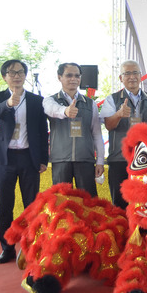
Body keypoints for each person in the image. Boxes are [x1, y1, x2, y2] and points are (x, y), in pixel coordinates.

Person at [0, 59, 49, 264]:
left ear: (25, 75)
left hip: (28, 157)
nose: (16, 75)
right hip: (5, 159)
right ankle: (7, 249)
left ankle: (31, 246)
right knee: (6, 205)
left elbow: (42, 131)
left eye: (20, 72)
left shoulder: (35, 100)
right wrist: (8, 103)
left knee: (31, 205)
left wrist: (43, 159)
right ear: (4, 76)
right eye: (12, 72)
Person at [100, 60, 147, 209]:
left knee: (146, 202)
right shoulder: (111, 99)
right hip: (119, 159)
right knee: (120, 203)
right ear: (121, 78)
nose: (132, 77)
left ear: (141, 76)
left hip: (146, 160)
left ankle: (143, 233)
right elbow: (108, 125)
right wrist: (118, 114)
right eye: (127, 73)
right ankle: (122, 232)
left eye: (135, 73)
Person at [43, 62, 105, 197]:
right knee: (61, 202)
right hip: (60, 160)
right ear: (59, 77)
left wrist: (100, 160)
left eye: (77, 76)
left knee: (89, 202)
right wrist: (65, 111)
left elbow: (96, 133)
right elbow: (51, 110)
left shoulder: (90, 103)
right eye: (69, 75)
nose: (73, 79)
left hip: (85, 159)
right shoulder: (50, 100)